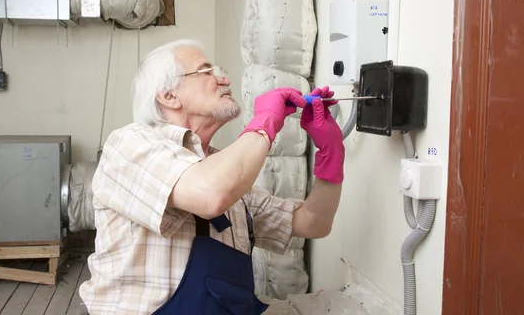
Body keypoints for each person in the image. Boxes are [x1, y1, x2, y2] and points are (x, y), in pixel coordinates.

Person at [79, 39, 345, 314]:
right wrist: (265, 122)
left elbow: (313, 223)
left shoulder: (227, 180)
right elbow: (210, 194)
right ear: (169, 95)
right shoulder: (129, 145)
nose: (224, 79)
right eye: (206, 71)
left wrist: (331, 151)